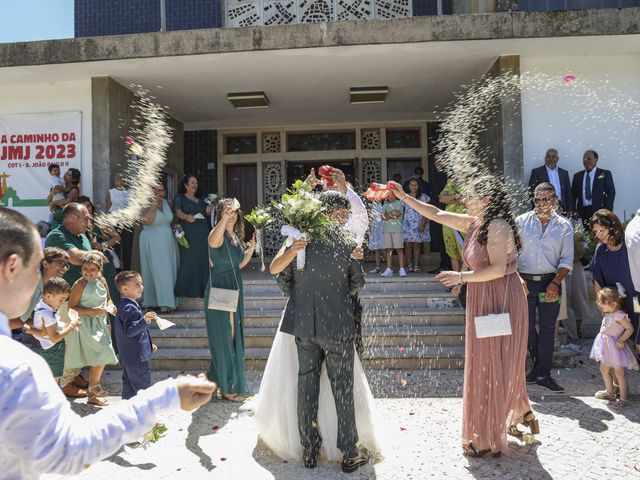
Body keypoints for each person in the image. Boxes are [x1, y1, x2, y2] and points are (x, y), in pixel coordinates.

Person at [0, 207, 217, 480]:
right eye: (37, 267)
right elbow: (70, 451)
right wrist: (168, 396)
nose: (42, 280)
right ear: (11, 267)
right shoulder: (15, 369)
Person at [388, 175, 536, 457]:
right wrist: (404, 198)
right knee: (486, 362)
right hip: (484, 298)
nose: (464, 200)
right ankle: (517, 414)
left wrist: (460, 276)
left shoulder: (498, 226)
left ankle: (489, 436)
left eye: (470, 196)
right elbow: (436, 213)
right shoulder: (475, 223)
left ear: (487, 201)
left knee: (494, 364)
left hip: (501, 301)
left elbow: (495, 269)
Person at [266, 190, 371, 473]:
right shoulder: (346, 242)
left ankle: (310, 449)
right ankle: (349, 451)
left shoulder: (300, 240)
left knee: (307, 386)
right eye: (345, 212)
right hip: (337, 324)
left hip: (304, 324)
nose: (347, 217)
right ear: (334, 211)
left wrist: (305, 297)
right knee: (342, 387)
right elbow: (356, 283)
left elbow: (283, 282)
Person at [515, 183, 574, 393]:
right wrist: (517, 278)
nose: (541, 204)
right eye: (537, 199)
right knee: (528, 328)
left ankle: (543, 374)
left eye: (546, 199)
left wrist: (555, 283)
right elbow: (512, 253)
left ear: (555, 200)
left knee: (548, 329)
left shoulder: (564, 226)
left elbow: (567, 260)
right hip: (525, 282)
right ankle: (539, 368)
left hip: (551, 282)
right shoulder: (521, 222)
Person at [205, 198, 255, 401]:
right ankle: (227, 389)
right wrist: (223, 220)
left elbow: (237, 265)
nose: (232, 215)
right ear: (220, 214)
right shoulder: (216, 235)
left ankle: (216, 380)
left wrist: (250, 251)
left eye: (234, 212)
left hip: (234, 287)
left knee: (232, 337)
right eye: (227, 211)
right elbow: (213, 243)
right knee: (227, 336)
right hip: (220, 289)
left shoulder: (233, 235)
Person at [67, 252, 118, 406]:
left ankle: (93, 392)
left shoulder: (102, 281)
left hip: (101, 323)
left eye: (92, 269)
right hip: (85, 325)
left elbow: (108, 299)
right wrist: (93, 311)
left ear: (99, 270)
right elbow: (72, 308)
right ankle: (94, 389)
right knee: (102, 352)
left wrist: (111, 308)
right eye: (85, 269)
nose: (88, 272)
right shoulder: (79, 284)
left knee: (102, 354)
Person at [590, 209, 639, 346]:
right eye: (596, 232)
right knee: (622, 344)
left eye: (602, 230)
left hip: (636, 300)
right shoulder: (601, 251)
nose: (599, 235)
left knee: (639, 340)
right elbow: (598, 281)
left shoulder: (629, 244)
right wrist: (602, 308)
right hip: (617, 305)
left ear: (612, 226)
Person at [590, 287, 638, 408]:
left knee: (619, 373)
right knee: (604, 369)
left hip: (615, 348)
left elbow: (630, 328)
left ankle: (623, 398)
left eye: (603, 303)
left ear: (614, 304)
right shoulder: (609, 313)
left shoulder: (619, 316)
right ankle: (610, 391)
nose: (600, 306)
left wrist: (622, 339)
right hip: (605, 347)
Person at [114, 270, 157, 400]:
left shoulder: (127, 305)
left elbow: (137, 333)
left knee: (130, 389)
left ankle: (127, 415)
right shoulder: (129, 307)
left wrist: (149, 345)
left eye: (141, 284)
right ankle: (148, 419)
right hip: (136, 358)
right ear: (125, 289)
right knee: (142, 388)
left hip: (129, 356)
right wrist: (145, 320)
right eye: (137, 285)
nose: (141, 287)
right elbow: (131, 330)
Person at [31, 277, 81, 384]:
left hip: (48, 348)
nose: (62, 303)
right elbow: (54, 338)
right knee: (54, 381)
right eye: (61, 300)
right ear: (48, 296)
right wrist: (72, 325)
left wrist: (64, 326)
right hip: (53, 350)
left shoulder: (42, 305)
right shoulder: (47, 314)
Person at [139, 183, 179, 312]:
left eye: (162, 190)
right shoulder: (144, 204)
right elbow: (146, 221)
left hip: (168, 242)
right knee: (159, 270)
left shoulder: (167, 203)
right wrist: (153, 207)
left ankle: (168, 300)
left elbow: (169, 219)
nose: (159, 193)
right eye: (156, 190)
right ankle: (162, 302)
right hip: (152, 240)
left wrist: (177, 228)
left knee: (169, 270)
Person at [173, 174, 213, 298]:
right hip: (188, 233)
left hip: (202, 233)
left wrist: (210, 209)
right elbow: (178, 212)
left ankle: (203, 290)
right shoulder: (180, 198)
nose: (195, 185)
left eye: (196, 183)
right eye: (192, 183)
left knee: (202, 260)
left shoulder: (202, 200)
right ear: (185, 185)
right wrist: (187, 217)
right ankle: (186, 291)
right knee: (188, 260)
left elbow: (206, 214)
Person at [571, 150, 616, 228]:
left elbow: (611, 192)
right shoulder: (577, 176)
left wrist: (607, 211)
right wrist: (573, 210)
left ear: (596, 159)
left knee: (601, 235)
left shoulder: (604, 174)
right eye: (584, 159)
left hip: (600, 211)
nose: (586, 161)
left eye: (589, 158)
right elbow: (573, 195)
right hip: (584, 212)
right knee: (588, 237)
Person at [528, 148, 573, 213]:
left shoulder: (564, 173)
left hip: (561, 208)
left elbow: (568, 192)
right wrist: (538, 206)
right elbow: (531, 191)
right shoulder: (537, 172)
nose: (551, 159)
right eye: (548, 156)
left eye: (553, 157)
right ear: (545, 158)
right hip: (543, 207)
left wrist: (570, 209)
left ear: (557, 158)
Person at [106, 171, 133, 270]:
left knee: (127, 248)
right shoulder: (110, 192)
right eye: (118, 177)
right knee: (115, 248)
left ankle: (127, 270)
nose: (120, 179)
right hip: (115, 222)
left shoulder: (130, 193)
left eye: (122, 177)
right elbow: (108, 208)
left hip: (127, 223)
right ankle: (116, 271)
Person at [402, 177, 430, 273]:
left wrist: (423, 223)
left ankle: (417, 265)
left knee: (417, 245)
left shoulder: (423, 197)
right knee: (408, 245)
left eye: (415, 185)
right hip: (407, 224)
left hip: (419, 223)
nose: (413, 187)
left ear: (418, 186)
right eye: (411, 185)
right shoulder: (405, 197)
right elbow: (402, 211)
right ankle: (409, 264)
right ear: (408, 186)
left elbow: (428, 211)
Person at [439, 177, 466, 272]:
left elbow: (466, 200)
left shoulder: (469, 182)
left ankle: (463, 281)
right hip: (448, 221)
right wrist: (456, 197)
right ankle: (456, 282)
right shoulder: (450, 182)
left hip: (462, 220)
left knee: (464, 250)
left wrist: (449, 199)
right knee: (452, 251)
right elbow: (441, 199)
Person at [381, 190, 406, 277]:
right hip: (387, 229)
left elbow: (398, 213)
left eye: (391, 194)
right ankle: (389, 268)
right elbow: (382, 217)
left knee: (399, 249)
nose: (389, 196)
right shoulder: (385, 204)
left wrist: (388, 215)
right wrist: (392, 214)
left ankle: (402, 268)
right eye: (387, 194)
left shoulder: (399, 203)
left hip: (397, 229)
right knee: (389, 249)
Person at [367, 201, 385, 274]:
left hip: (384, 226)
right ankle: (377, 267)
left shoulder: (385, 203)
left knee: (387, 246)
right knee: (376, 247)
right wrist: (370, 227)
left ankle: (388, 267)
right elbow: (371, 216)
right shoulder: (373, 204)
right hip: (375, 226)